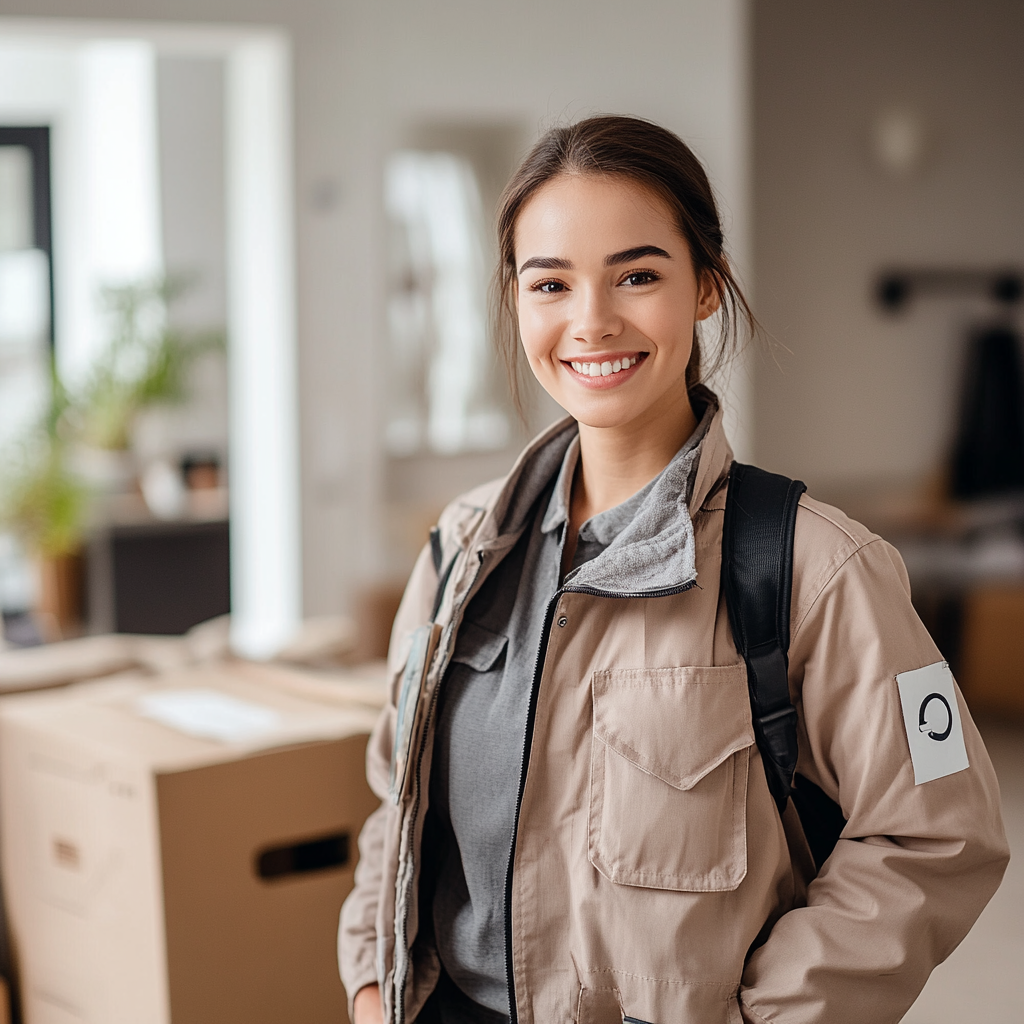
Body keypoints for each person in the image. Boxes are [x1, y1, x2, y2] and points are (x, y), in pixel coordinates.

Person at [339, 115, 1009, 1024]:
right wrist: (375, 982)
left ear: (705, 285)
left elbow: (938, 834)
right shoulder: (460, 552)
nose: (592, 321)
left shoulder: (816, 567)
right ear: (516, 301)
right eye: (551, 283)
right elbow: (398, 799)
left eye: (638, 275)